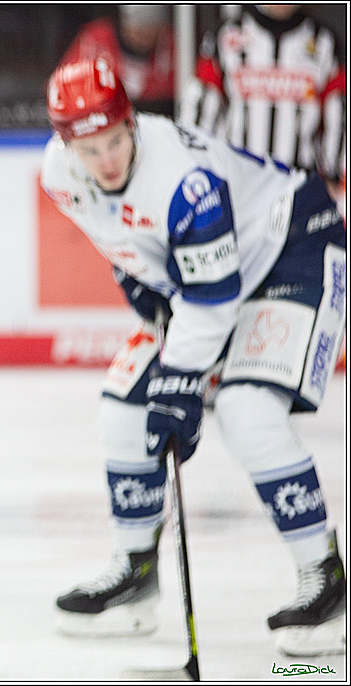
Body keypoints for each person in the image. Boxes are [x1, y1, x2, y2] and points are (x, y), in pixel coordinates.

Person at [40, 58, 346, 656]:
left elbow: (211, 299)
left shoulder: (184, 179)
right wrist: (145, 284)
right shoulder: (59, 172)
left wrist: (181, 380)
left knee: (247, 413)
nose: (106, 160)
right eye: (89, 149)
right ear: (66, 144)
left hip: (295, 246)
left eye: (115, 140)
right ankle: (136, 572)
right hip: (214, 275)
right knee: (123, 409)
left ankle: (325, 575)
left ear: (131, 122)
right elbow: (129, 245)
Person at [179, 5, 346, 197]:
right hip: (237, 187)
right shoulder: (225, 36)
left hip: (301, 189)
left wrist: (334, 178)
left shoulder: (325, 42)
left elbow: (339, 116)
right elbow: (199, 112)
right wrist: (196, 169)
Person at [59, 5, 175, 115]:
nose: (145, 32)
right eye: (138, 25)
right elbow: (62, 87)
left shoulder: (173, 47)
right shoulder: (94, 42)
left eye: (151, 26)